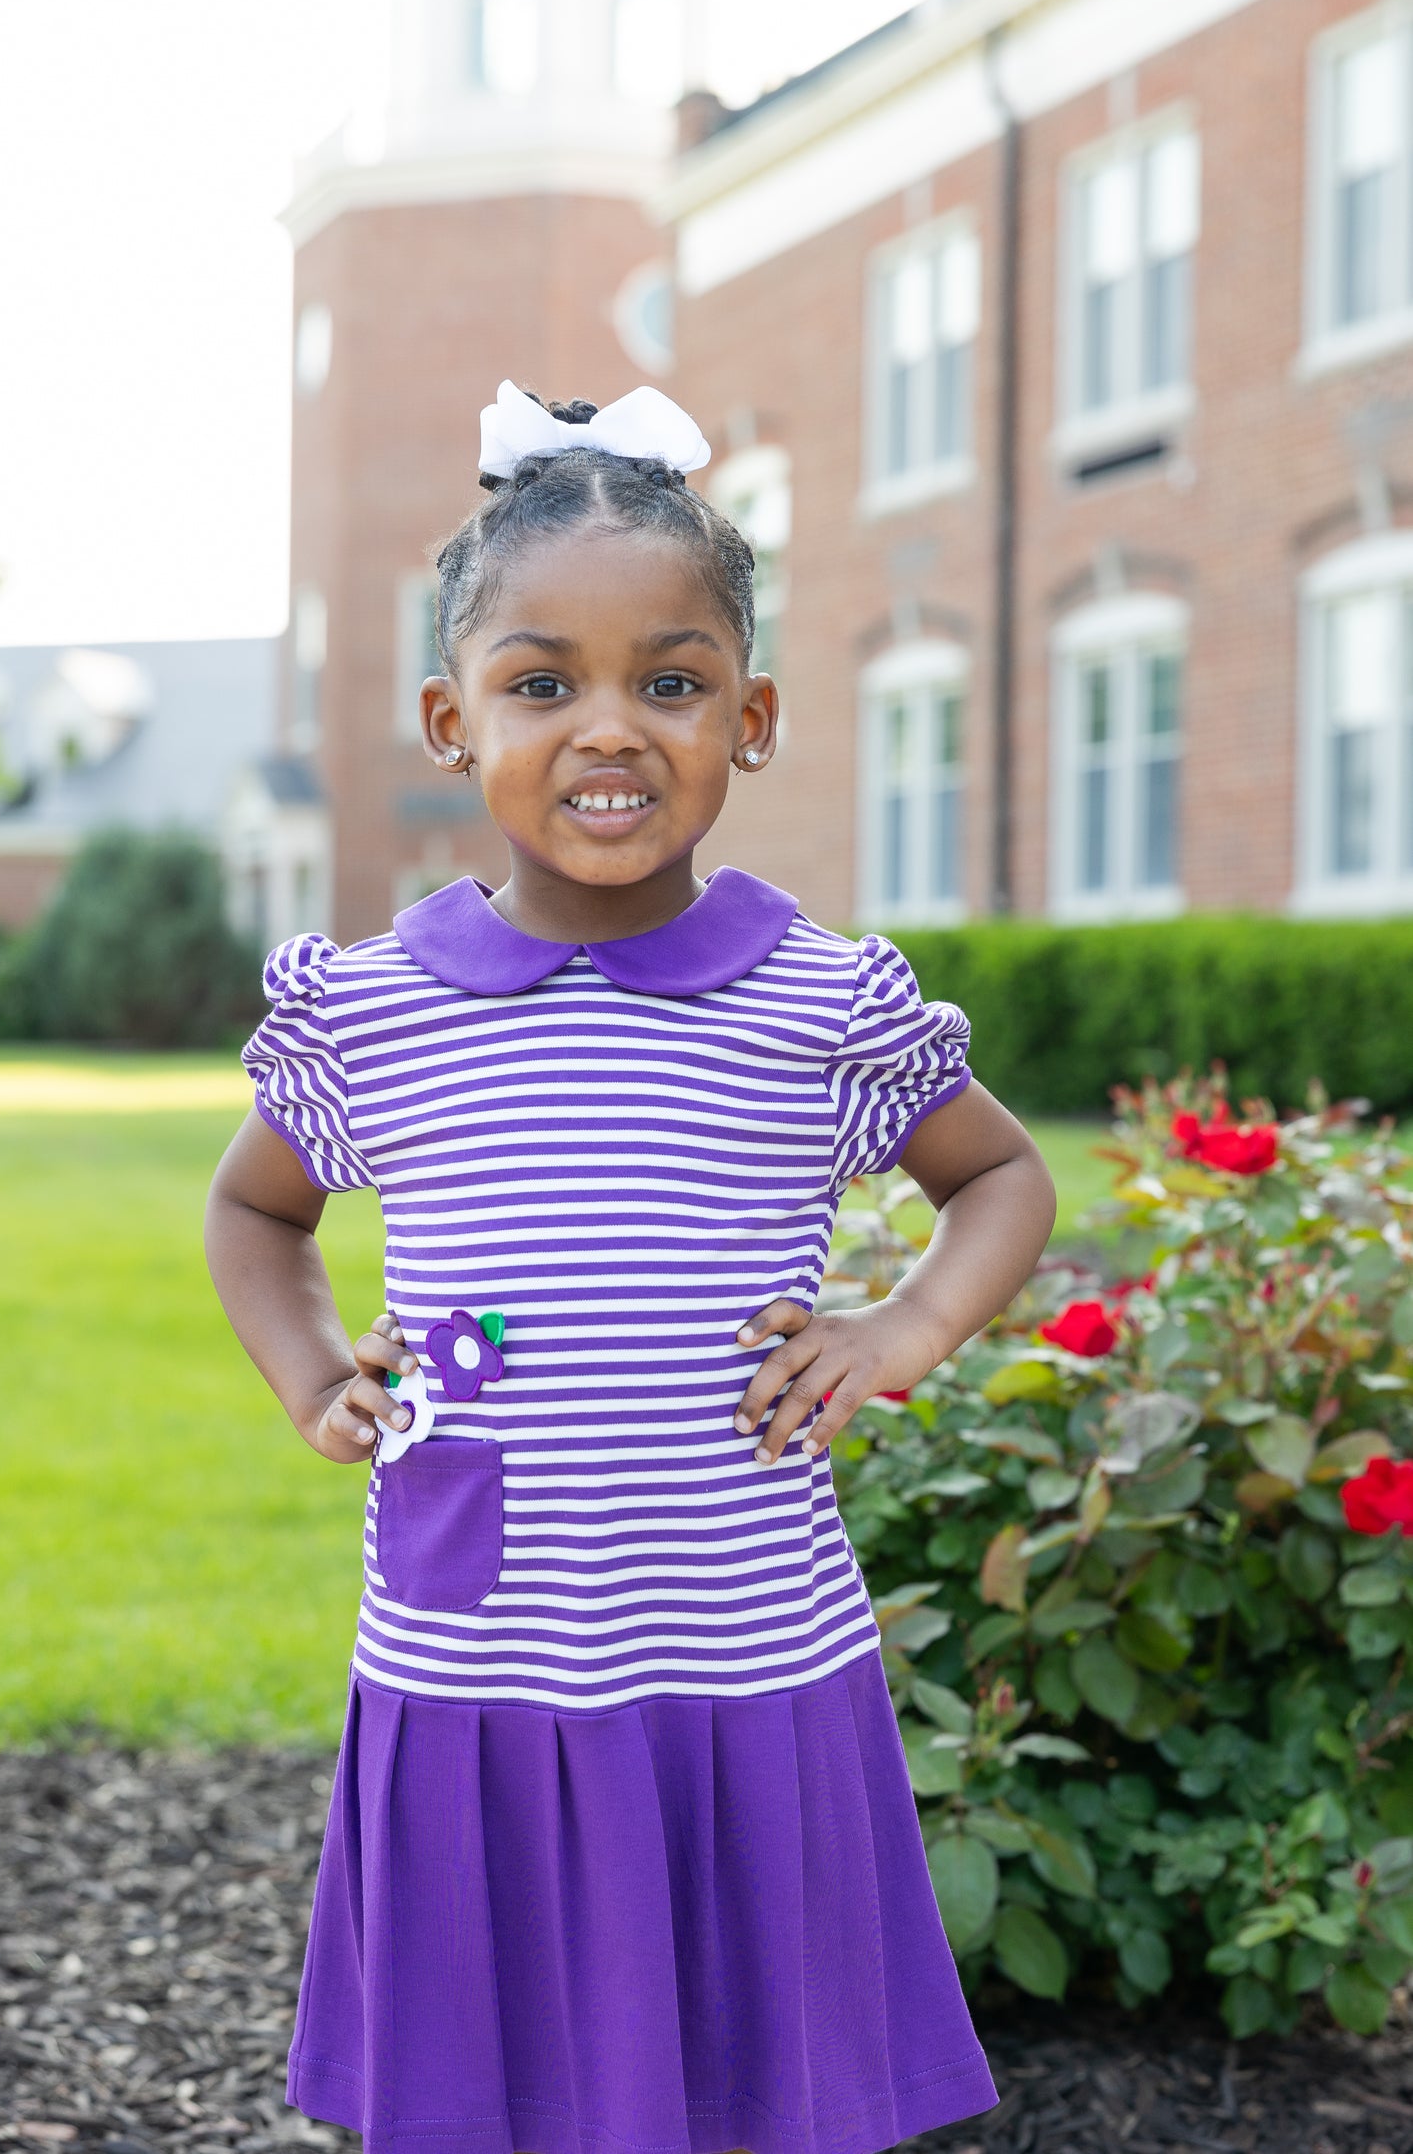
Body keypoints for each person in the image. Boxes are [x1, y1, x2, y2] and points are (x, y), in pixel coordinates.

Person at [205, 380, 1057, 2154]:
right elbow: (256, 1213)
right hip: (479, 1641)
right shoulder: (376, 1012)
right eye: (542, 686)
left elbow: (997, 1177)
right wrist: (310, 1373)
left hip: (738, 1634)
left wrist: (900, 1327)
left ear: (751, 718)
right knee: (497, 2080)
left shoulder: (814, 1002)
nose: (610, 729)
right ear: (451, 720)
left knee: (743, 2075)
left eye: (669, 684)